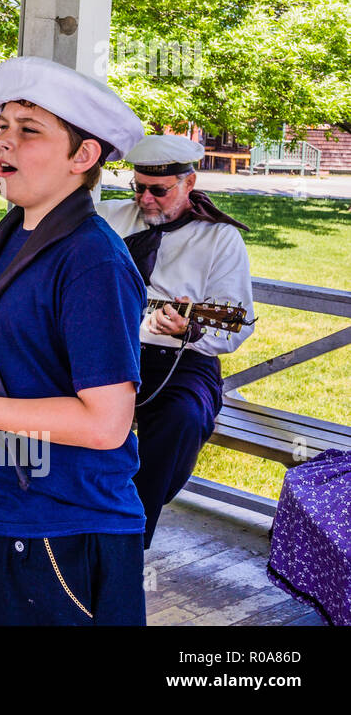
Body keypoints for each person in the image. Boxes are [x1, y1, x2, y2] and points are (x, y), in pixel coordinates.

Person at [0, 55, 148, 626]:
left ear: (84, 156)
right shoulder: (12, 235)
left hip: (63, 523)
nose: (4, 144)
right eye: (2, 126)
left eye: (29, 130)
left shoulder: (92, 260)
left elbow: (105, 423)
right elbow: (10, 379)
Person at [96, 135, 254, 548]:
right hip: (108, 347)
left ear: (189, 183)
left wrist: (191, 329)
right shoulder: (110, 217)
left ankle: (129, 533)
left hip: (182, 360)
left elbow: (236, 323)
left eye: (159, 190)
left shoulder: (219, 240)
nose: (145, 199)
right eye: (138, 187)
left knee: (182, 417)